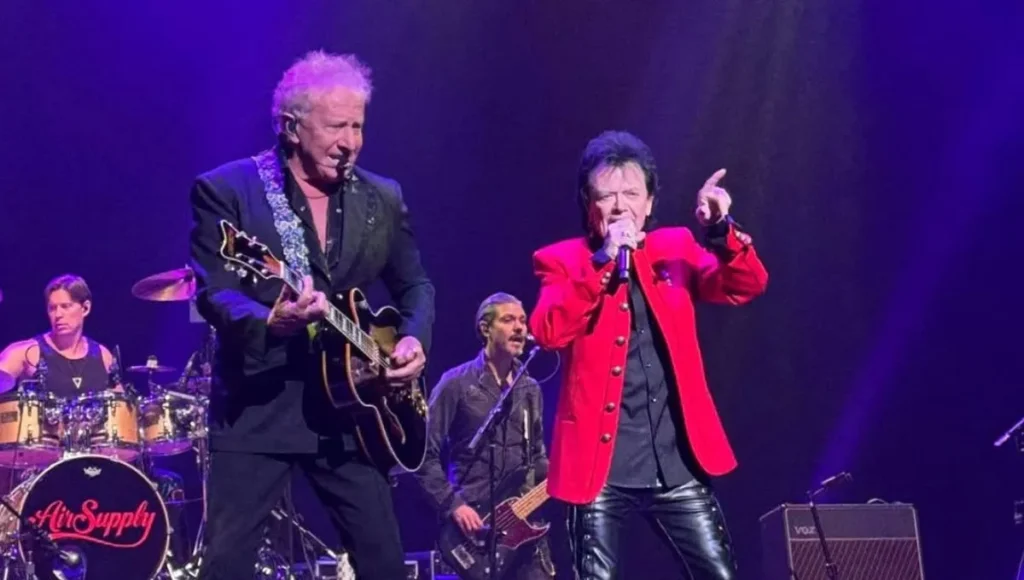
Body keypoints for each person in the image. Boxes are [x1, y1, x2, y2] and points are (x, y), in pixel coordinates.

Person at [188, 50, 435, 580]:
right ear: (291, 127)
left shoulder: (382, 197)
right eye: (336, 126)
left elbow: (415, 284)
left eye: (358, 126)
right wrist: (269, 321)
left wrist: (413, 339)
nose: (351, 142)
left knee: (385, 564)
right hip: (259, 409)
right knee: (226, 566)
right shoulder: (228, 190)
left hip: (353, 413)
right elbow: (215, 292)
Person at [528, 131, 768, 579]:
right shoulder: (564, 260)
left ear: (650, 202)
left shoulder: (675, 247)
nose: (620, 206)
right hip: (598, 469)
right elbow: (547, 332)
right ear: (588, 204)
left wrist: (721, 230)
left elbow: (745, 285)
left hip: (675, 462)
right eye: (606, 195)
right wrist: (602, 262)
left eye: (631, 194)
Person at [415, 293, 554, 579]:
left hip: (525, 524)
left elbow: (537, 458)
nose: (520, 327)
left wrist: (565, 472)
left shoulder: (530, 389)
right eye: (508, 320)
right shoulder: (456, 384)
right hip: (473, 527)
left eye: (523, 321)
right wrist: (454, 506)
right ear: (485, 328)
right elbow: (423, 455)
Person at [0, 274, 120, 396]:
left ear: (85, 308)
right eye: (52, 308)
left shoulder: (103, 355)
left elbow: (122, 405)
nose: (58, 315)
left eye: (65, 306)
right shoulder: (25, 352)